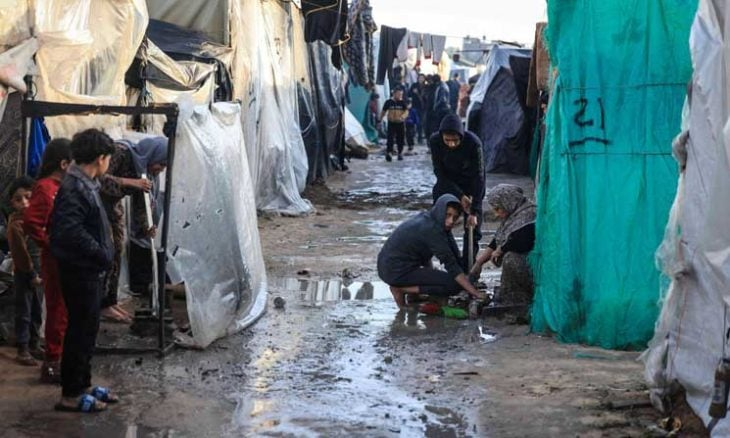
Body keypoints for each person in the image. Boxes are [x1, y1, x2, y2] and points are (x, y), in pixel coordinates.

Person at [51, 129, 118, 412]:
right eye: (108, 159)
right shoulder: (75, 187)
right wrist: (100, 252)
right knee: (79, 331)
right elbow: (69, 231)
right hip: (79, 270)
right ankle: (71, 394)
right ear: (100, 158)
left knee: (88, 329)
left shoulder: (86, 182)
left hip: (89, 270)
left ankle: (84, 383)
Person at [98, 137, 167, 322]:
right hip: (96, 206)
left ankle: (109, 301)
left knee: (117, 251)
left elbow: (140, 204)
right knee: (104, 253)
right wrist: (129, 182)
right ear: (153, 155)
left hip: (112, 206)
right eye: (161, 163)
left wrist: (147, 228)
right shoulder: (121, 152)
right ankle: (99, 303)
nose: (161, 169)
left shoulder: (143, 170)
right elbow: (99, 179)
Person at [377, 194, 484, 308]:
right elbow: (451, 264)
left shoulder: (429, 218)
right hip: (395, 271)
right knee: (454, 285)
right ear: (440, 211)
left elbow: (452, 253)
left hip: (387, 266)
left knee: (443, 278)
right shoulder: (432, 230)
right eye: (447, 215)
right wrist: (475, 293)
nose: (450, 221)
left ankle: (413, 294)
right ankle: (401, 289)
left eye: (455, 217)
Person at [23, 138, 72, 382]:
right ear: (64, 164)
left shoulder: (59, 187)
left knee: (64, 309)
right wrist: (50, 244)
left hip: (64, 257)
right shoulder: (45, 187)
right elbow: (32, 222)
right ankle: (53, 362)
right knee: (58, 309)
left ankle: (58, 357)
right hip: (55, 259)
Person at [430, 114, 485, 268]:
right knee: (441, 225)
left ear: (461, 136)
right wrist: (459, 196)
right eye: (447, 140)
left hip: (472, 185)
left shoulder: (473, 143)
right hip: (446, 184)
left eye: (455, 140)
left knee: (473, 229)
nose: (451, 144)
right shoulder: (435, 141)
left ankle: (469, 269)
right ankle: (453, 265)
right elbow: (439, 173)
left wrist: (473, 211)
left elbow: (479, 177)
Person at [469, 184, 535, 309]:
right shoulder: (514, 215)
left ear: (508, 201)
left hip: (535, 268)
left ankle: (520, 298)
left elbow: (521, 241)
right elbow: (498, 240)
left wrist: (502, 250)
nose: (496, 214)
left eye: (498, 209)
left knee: (511, 258)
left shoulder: (529, 215)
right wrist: (479, 263)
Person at [6, 176, 43, 367]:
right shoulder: (16, 224)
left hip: (38, 272)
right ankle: (23, 349)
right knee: (24, 311)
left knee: (36, 309)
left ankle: (34, 344)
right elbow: (20, 253)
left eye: (28, 197)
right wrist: (31, 274)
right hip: (25, 273)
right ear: (11, 202)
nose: (24, 203)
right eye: (18, 199)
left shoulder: (35, 220)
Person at [379, 86, 409, 161]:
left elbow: (406, 111)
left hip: (400, 123)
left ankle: (400, 153)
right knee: (390, 138)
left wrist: (402, 117)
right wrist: (380, 119)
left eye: (401, 94)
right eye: (398, 94)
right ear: (394, 94)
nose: (400, 96)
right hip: (391, 123)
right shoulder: (388, 102)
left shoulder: (403, 102)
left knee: (400, 138)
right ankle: (389, 153)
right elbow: (383, 111)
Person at [408, 74, 427, 143]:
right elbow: (409, 94)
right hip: (415, 106)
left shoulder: (426, 86)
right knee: (413, 122)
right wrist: (413, 92)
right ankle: (412, 137)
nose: (421, 79)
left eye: (422, 78)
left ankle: (420, 137)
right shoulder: (414, 85)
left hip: (423, 107)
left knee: (421, 123)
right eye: (420, 78)